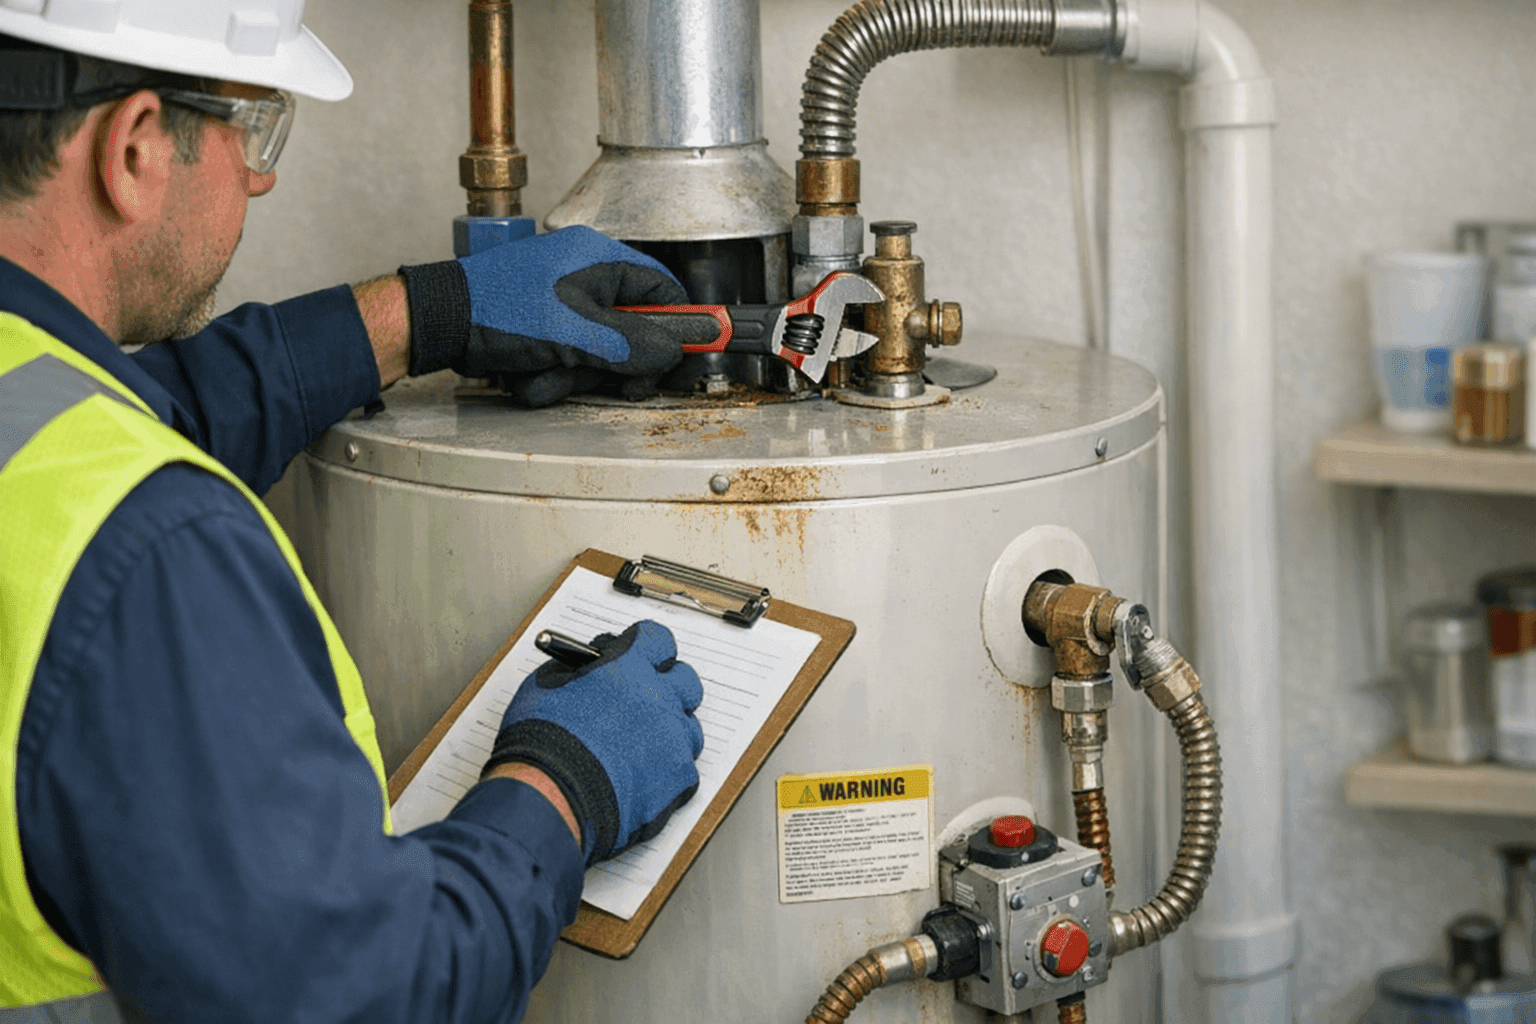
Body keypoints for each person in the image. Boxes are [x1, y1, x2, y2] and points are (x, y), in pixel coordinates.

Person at [0, 3, 706, 1021]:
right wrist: (561, 786)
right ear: (136, 147)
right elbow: (357, 993)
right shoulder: (149, 551)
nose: (259, 176)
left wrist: (429, 313)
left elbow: (129, 409)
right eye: (252, 126)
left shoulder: (38, 414)